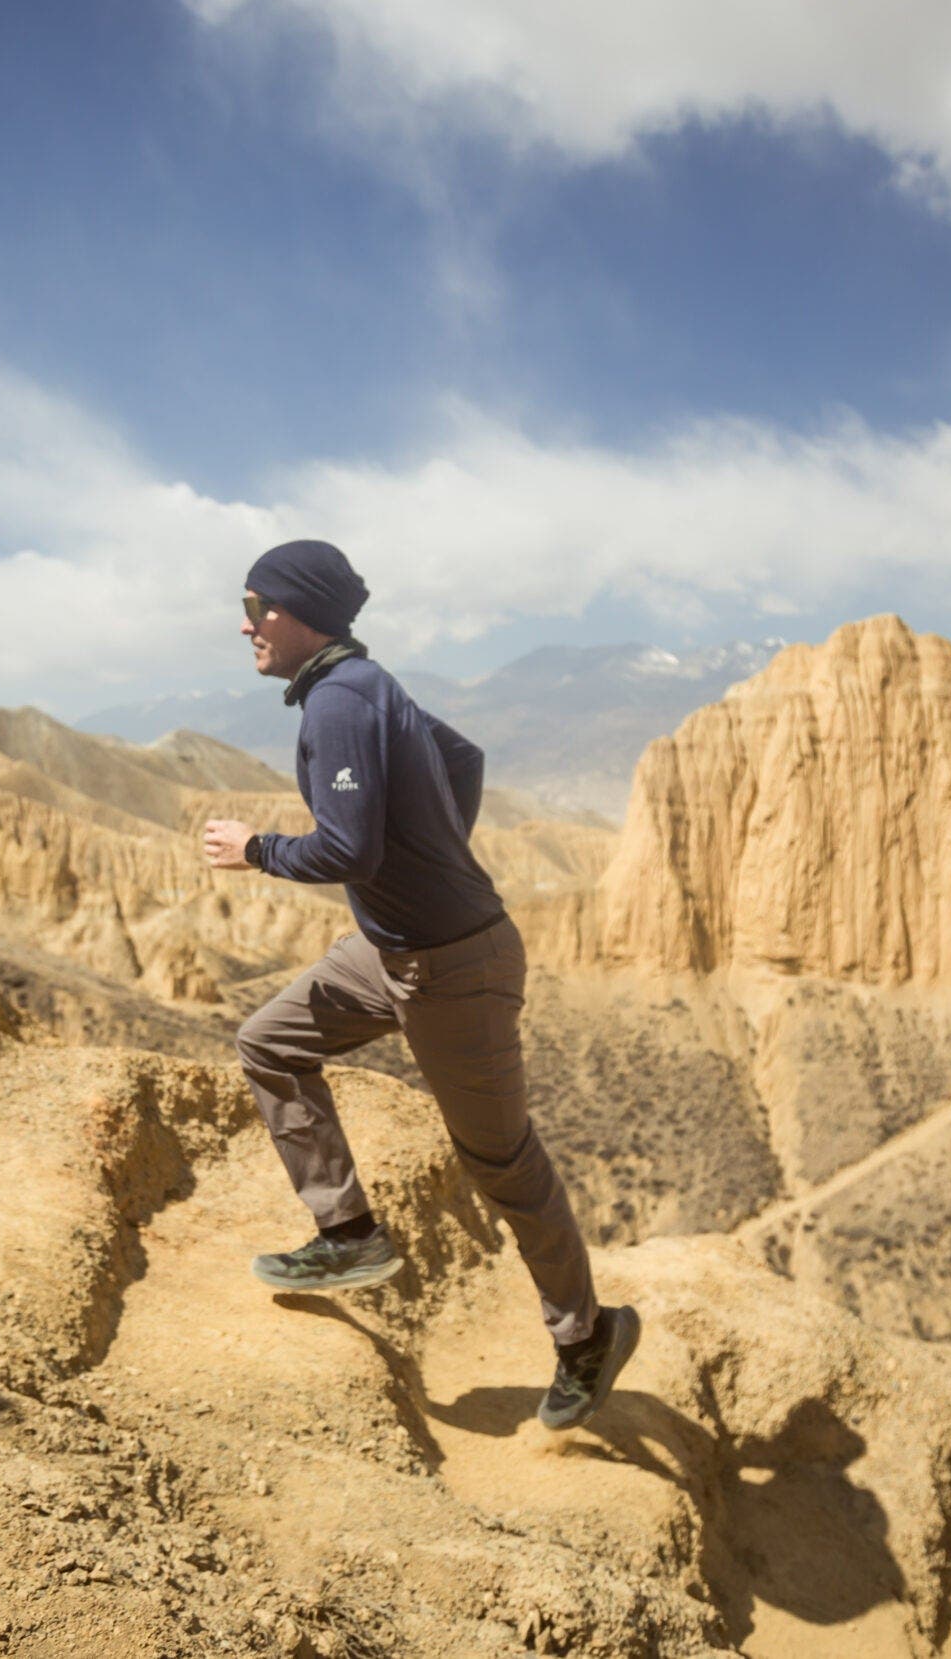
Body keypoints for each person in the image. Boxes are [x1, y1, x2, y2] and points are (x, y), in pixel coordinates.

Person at [199, 539, 638, 1431]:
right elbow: (465, 758)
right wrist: (430, 864)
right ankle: (348, 1235)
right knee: (269, 1042)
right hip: (391, 948)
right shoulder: (367, 684)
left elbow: (346, 849)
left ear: (293, 611)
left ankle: (588, 1335)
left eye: (255, 606)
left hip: (452, 969)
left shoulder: (339, 702)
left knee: (502, 1162)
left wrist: (256, 850)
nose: (244, 625)